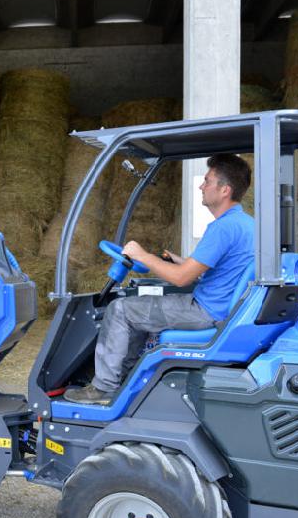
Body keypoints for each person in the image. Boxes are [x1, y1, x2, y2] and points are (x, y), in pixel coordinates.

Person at [64, 153, 255, 405]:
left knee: (120, 308)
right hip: (220, 305)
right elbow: (215, 270)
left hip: (206, 310)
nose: (201, 186)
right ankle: (129, 376)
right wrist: (178, 260)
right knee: (141, 307)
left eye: (207, 181)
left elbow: (181, 279)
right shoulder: (245, 224)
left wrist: (140, 254)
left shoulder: (222, 228)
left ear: (224, 190)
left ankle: (103, 388)